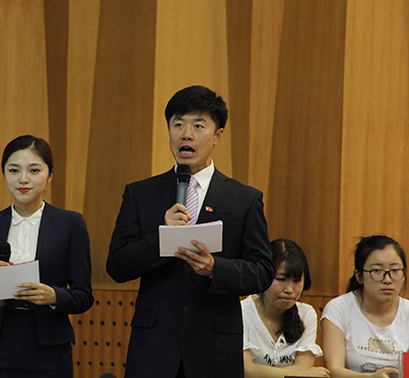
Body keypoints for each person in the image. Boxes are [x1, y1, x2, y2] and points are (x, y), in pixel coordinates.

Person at [106, 85, 275, 378]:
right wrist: (161, 239)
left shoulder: (244, 199)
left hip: (214, 350)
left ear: (217, 135)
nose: (186, 134)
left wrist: (215, 269)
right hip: (155, 348)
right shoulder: (140, 194)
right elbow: (117, 266)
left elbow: (262, 271)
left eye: (198, 125)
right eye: (178, 124)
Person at [0, 135, 94, 378]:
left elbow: (84, 296)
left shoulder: (70, 224)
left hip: (49, 349)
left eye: (34, 170)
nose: (23, 179)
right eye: (14, 170)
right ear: (4, 174)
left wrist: (54, 296)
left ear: (50, 174)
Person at [321, 235, 409, 378]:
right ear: (359, 276)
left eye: (395, 270)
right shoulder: (339, 308)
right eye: (377, 271)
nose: (387, 279)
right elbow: (333, 370)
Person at [242, 238, 330, 377]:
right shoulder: (242, 311)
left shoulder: (306, 314)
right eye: (281, 279)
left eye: (297, 280)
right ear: (264, 276)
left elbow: (304, 366)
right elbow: (247, 370)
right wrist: (304, 375)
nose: (289, 289)